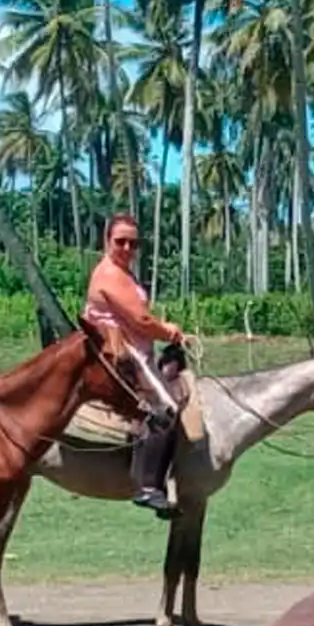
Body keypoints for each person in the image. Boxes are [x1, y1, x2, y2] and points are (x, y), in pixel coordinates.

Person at [82, 213, 186, 514]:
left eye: (133, 243)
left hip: (136, 350)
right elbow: (140, 320)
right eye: (120, 241)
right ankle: (149, 485)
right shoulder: (110, 274)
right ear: (106, 241)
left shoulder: (123, 272)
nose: (127, 248)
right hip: (123, 355)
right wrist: (170, 331)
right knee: (166, 409)